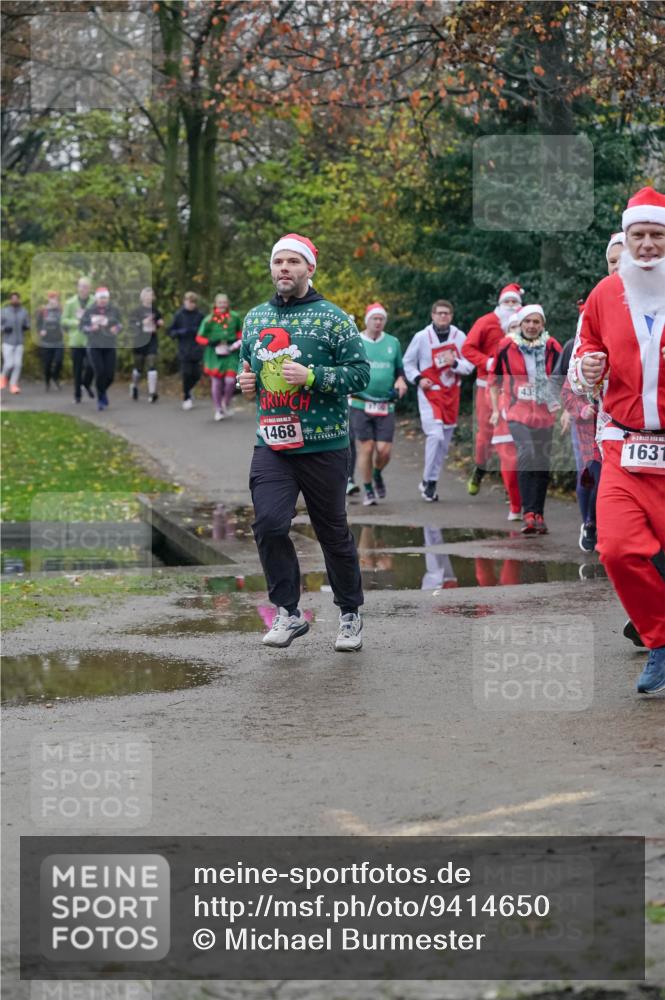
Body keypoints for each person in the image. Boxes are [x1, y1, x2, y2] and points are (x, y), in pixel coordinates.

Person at [237, 232, 370, 651]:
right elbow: (249, 369)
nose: (284, 269)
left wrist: (313, 377)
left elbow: (360, 375)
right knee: (269, 525)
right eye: (279, 262)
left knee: (332, 533)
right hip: (272, 444)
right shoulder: (255, 318)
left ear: (309, 269)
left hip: (324, 445)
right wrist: (245, 382)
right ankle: (288, 612)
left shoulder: (334, 318)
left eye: (293, 262)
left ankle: (349, 613)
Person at [569, 186, 665, 694]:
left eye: (656, 235)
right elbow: (585, 358)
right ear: (625, 241)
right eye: (638, 236)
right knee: (616, 549)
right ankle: (659, 641)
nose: (647, 245)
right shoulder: (605, 295)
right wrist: (587, 368)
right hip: (623, 446)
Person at [490, 304, 562, 534]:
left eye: (536, 322)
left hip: (544, 413)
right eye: (527, 322)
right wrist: (495, 409)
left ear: (543, 325)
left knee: (541, 462)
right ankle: (527, 511)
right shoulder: (506, 346)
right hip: (516, 411)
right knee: (527, 453)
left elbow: (564, 376)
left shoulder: (552, 346)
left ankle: (537, 514)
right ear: (520, 324)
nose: (531, 326)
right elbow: (494, 380)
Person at [403, 299, 474, 501]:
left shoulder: (459, 336)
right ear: (432, 315)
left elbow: (470, 366)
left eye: (447, 313)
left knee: (444, 443)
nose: (443, 316)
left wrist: (455, 363)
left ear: (451, 316)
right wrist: (418, 378)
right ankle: (429, 481)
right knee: (435, 436)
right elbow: (408, 362)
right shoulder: (422, 337)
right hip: (430, 393)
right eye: (439, 313)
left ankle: (429, 481)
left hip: (451, 395)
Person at [462, 283, 524, 494]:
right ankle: (480, 468)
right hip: (487, 386)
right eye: (507, 301)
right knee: (486, 433)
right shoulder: (486, 322)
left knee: (514, 436)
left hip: (516, 390)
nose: (510, 305)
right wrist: (487, 363)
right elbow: (467, 348)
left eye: (514, 302)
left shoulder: (526, 325)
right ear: (499, 304)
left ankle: (511, 488)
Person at [349, 302, 408, 505]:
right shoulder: (357, 341)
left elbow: (400, 370)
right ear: (367, 321)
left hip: (385, 403)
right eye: (374, 318)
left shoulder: (393, 342)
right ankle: (367, 489)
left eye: (381, 319)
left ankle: (377, 473)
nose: (378, 322)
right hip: (359, 402)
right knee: (367, 447)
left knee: (384, 450)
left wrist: (401, 380)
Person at [487, 312, 523, 520]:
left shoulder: (539, 350)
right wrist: (494, 410)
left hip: (533, 414)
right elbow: (493, 382)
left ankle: (530, 505)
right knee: (509, 462)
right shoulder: (502, 349)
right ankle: (516, 505)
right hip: (505, 411)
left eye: (520, 326)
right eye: (512, 327)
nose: (516, 331)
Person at [196, 293, 243, 421]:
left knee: (230, 381)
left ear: (228, 303)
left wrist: (238, 341)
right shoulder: (209, 319)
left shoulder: (235, 316)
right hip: (214, 354)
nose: (222, 305)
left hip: (231, 352)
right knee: (216, 383)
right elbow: (199, 337)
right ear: (215, 304)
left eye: (224, 302)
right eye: (220, 303)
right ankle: (218, 410)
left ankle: (225, 403)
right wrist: (209, 342)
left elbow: (240, 331)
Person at [80, 287, 122, 410]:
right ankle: (101, 398)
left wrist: (117, 329)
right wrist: (90, 329)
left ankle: (102, 390)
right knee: (100, 372)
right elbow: (82, 327)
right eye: (101, 298)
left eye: (105, 298)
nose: (103, 300)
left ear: (108, 298)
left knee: (110, 376)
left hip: (109, 345)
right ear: (97, 299)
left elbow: (120, 324)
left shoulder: (114, 310)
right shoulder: (90, 310)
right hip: (95, 346)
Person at [168, 291, 205, 410]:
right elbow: (170, 331)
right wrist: (180, 332)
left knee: (197, 374)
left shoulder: (200, 316)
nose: (191, 304)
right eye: (189, 302)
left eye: (193, 302)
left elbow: (205, 331)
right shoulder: (179, 315)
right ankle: (186, 397)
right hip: (184, 349)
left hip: (197, 349)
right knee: (186, 373)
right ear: (184, 302)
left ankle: (190, 390)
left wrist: (198, 332)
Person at [62, 277, 95, 403]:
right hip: (76, 340)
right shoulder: (70, 303)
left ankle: (86, 383)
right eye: (81, 286)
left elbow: (100, 315)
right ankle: (77, 394)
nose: (83, 289)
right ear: (77, 287)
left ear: (89, 288)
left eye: (85, 287)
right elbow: (64, 320)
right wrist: (77, 322)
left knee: (92, 365)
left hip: (91, 339)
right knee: (77, 368)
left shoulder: (94, 301)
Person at [129, 287, 163, 403]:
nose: (150, 297)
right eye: (147, 295)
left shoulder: (156, 311)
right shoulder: (136, 311)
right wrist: (141, 323)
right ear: (142, 297)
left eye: (151, 295)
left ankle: (152, 392)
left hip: (152, 340)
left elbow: (159, 323)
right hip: (139, 341)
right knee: (139, 368)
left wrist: (159, 323)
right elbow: (131, 326)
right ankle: (134, 386)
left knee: (152, 364)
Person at [1, 292, 30, 395]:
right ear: (10, 300)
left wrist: (26, 327)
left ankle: (13, 385)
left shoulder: (24, 312)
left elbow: (27, 323)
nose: (14, 301)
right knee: (9, 364)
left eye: (16, 299)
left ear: (19, 300)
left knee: (18, 364)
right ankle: (3, 377)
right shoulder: (4, 311)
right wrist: (4, 328)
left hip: (19, 342)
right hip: (8, 342)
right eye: (12, 299)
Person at [36, 291, 64, 391]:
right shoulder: (43, 310)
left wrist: (64, 329)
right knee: (47, 364)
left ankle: (55, 377)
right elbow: (38, 323)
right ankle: (47, 381)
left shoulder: (61, 310)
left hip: (58, 341)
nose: (54, 300)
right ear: (48, 299)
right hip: (46, 342)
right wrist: (40, 331)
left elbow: (65, 322)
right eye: (52, 298)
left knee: (59, 361)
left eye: (55, 298)